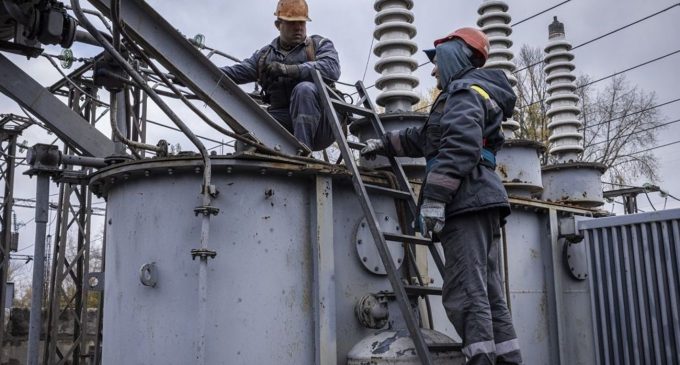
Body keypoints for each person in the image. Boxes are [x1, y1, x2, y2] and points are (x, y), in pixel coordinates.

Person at [361, 27, 522, 365]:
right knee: (489, 294)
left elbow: (459, 147)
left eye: (437, 62)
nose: (433, 70)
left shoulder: (463, 93)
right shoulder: (468, 94)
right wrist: (385, 143)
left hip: (466, 200)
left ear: (455, 54)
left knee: (466, 292)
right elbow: (426, 137)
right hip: (482, 200)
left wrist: (434, 199)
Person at [219, 0, 340, 151]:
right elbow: (235, 73)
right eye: (292, 23)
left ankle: (302, 156)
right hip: (287, 119)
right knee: (250, 128)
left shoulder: (319, 44)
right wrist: (185, 74)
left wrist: (289, 69)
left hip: (325, 122)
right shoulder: (264, 56)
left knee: (304, 90)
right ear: (278, 25)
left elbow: (332, 69)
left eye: (302, 22)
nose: (298, 28)